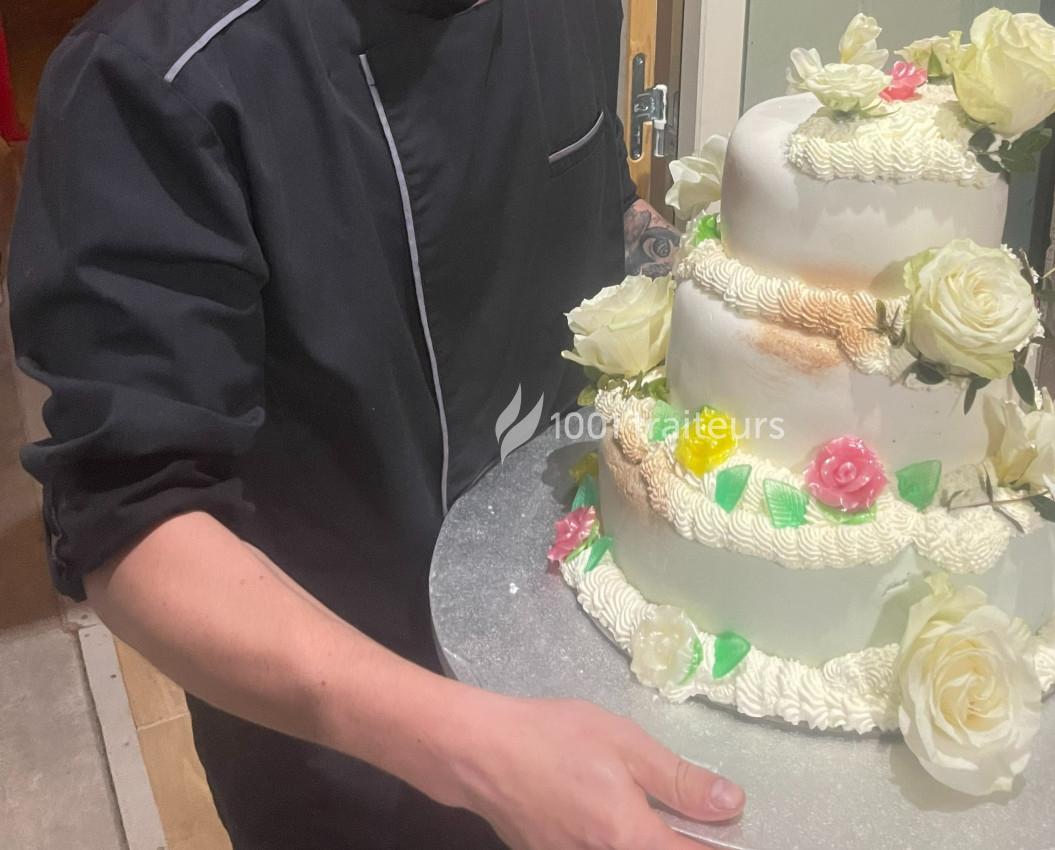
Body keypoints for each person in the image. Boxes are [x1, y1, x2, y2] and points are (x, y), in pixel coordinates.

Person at [7, 0, 746, 847]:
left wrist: (749, 307)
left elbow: (603, 214)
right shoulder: (151, 78)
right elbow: (136, 526)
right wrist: (482, 752)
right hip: (357, 746)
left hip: (584, 639)